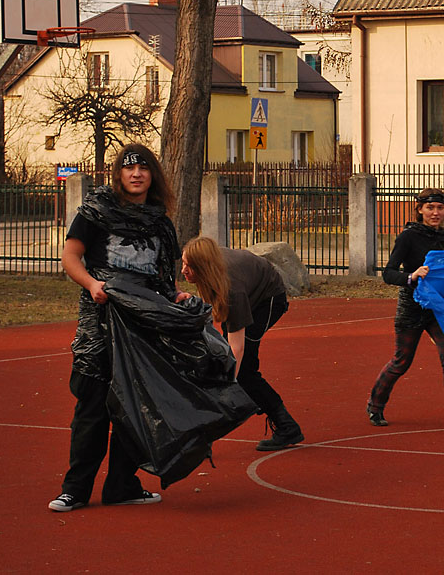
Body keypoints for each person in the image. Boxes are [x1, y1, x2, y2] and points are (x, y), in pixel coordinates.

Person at [50, 144, 179, 512]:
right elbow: (71, 257)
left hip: (143, 329)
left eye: (143, 168)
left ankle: (122, 485)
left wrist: (176, 298)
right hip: (100, 325)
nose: (136, 174)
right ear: (118, 174)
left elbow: (164, 278)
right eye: (129, 168)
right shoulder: (95, 212)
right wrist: (92, 285)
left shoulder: (159, 222)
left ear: (152, 174)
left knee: (135, 409)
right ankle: (75, 489)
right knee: (92, 408)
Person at [367, 188, 444, 433]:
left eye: (440, 208)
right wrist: (412, 275)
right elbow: (388, 273)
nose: (435, 213)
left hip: (439, 311)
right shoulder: (409, 236)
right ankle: (375, 405)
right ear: (419, 210)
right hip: (412, 308)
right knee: (402, 361)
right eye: (430, 208)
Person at [180, 236, 304, 452]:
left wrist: (226, 388)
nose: (183, 270)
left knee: (245, 370)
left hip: (268, 299)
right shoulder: (211, 267)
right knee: (236, 366)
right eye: (183, 263)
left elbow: (236, 348)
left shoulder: (232, 290)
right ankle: (254, 399)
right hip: (248, 288)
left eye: (189, 266)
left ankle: (287, 426)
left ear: (203, 266)